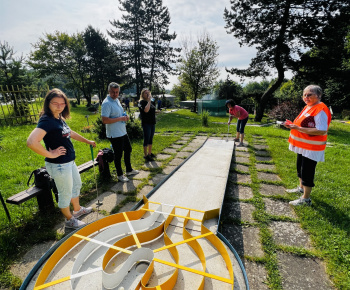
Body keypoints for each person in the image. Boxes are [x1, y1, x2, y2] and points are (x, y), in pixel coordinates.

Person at [27, 88, 95, 229]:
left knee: (76, 185)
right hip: (59, 165)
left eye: (62, 103)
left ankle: (77, 210)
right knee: (65, 193)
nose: (59, 106)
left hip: (68, 162)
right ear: (48, 103)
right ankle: (69, 220)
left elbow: (70, 132)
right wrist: (51, 154)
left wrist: (87, 141)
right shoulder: (47, 120)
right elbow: (31, 142)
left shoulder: (59, 117)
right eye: (55, 103)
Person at [284, 85, 332, 206]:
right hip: (303, 146)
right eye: (304, 94)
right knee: (300, 168)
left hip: (312, 148)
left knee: (307, 172)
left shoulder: (320, 109)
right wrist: (292, 126)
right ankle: (301, 188)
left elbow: (321, 130)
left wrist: (298, 128)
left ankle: (306, 199)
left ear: (318, 95)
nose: (306, 97)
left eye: (309, 94)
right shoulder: (309, 107)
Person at [101, 82, 139, 182]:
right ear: (109, 91)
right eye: (113, 92)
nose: (115, 94)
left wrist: (125, 116)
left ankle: (129, 170)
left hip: (122, 131)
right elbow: (104, 120)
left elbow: (119, 113)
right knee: (118, 154)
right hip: (114, 133)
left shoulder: (116, 100)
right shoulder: (106, 103)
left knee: (128, 149)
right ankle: (120, 174)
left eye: (117, 92)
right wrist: (120, 118)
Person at [138, 88, 156, 162]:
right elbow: (146, 110)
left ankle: (149, 153)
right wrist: (149, 101)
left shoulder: (151, 102)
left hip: (152, 122)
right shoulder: (141, 102)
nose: (148, 94)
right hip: (146, 123)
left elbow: (152, 110)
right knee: (147, 138)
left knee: (151, 138)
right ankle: (145, 155)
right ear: (142, 95)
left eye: (148, 93)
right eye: (146, 93)